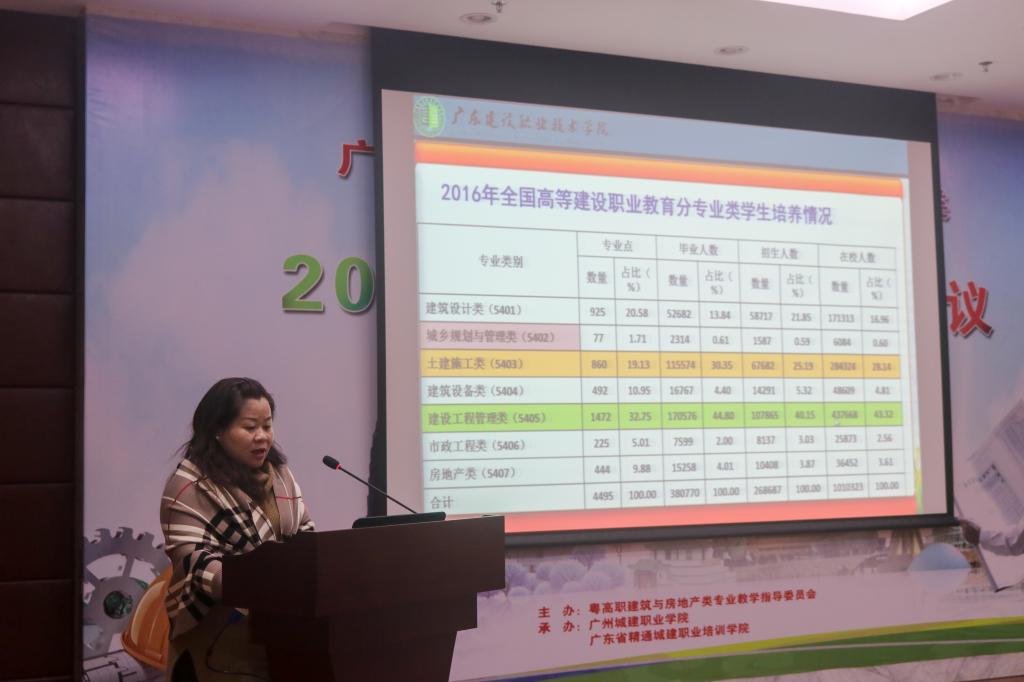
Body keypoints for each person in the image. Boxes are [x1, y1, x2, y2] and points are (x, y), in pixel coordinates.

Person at [160, 378, 314, 681]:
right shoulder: (189, 487)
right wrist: (263, 583)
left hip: (278, 640)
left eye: (267, 426)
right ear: (218, 430)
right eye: (250, 427)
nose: (262, 437)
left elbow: (305, 534)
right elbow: (196, 562)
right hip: (216, 646)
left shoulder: (280, 475)